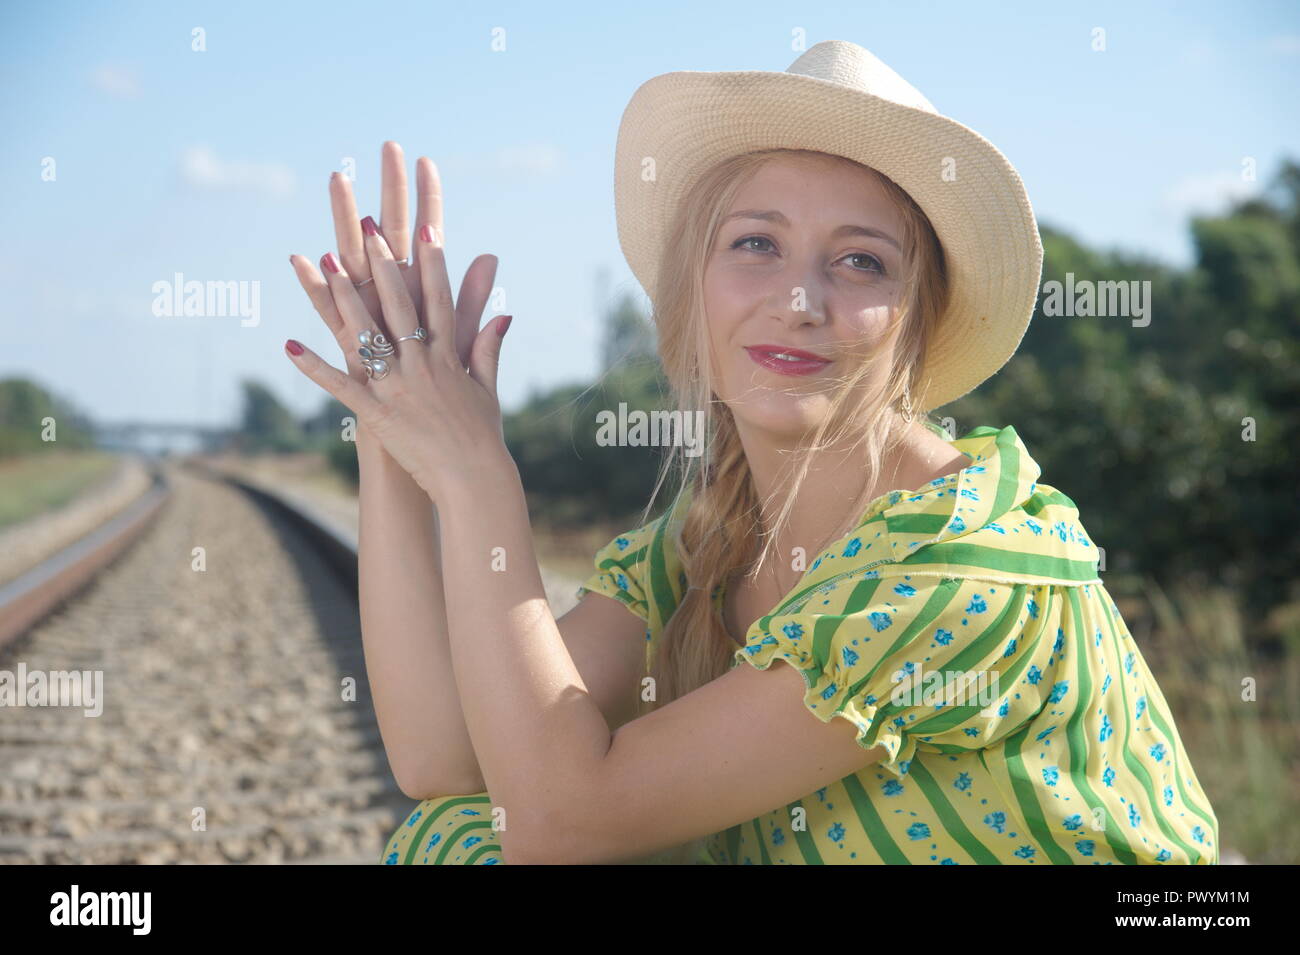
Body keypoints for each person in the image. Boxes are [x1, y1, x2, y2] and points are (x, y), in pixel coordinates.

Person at [289, 40, 1219, 865]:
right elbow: (444, 759)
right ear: (693, 291)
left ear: (917, 321)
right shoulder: (705, 544)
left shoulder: (959, 566)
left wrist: (475, 474)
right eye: (756, 244)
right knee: (455, 838)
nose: (801, 298)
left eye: (860, 262)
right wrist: (390, 414)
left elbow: (560, 818)